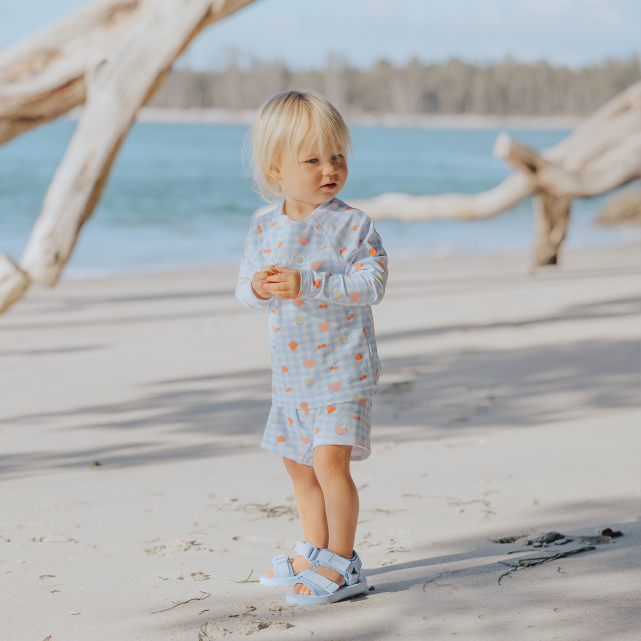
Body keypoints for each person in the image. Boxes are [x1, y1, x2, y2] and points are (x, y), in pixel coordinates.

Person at [235, 90, 388, 605]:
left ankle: (344, 563)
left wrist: (310, 284)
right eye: (313, 159)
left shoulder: (351, 224)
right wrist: (258, 287)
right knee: (298, 466)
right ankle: (315, 548)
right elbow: (243, 287)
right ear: (275, 168)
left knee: (329, 465)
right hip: (291, 375)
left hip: (343, 370)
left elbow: (372, 285)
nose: (330, 169)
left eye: (338, 156)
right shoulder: (264, 225)